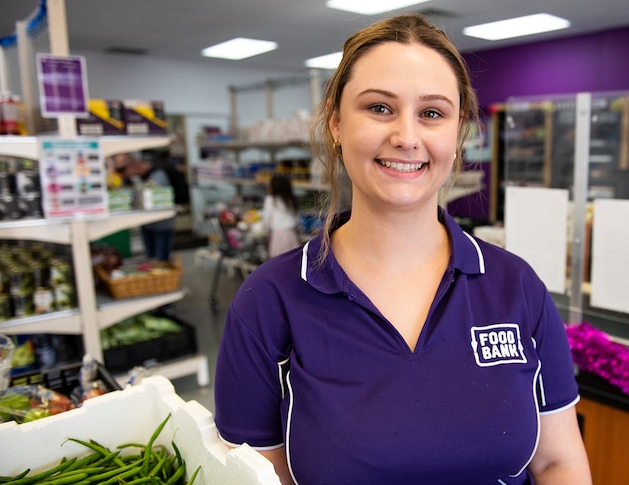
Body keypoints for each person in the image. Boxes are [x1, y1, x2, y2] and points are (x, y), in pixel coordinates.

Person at [214, 13, 592, 485]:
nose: (407, 137)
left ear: (456, 136)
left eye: (432, 113)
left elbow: (558, 463)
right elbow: (255, 477)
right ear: (335, 123)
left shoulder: (517, 287)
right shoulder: (268, 301)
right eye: (379, 108)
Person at [113, 153, 176, 261]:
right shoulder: (139, 178)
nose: (128, 176)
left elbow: (154, 198)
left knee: (161, 257)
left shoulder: (157, 175)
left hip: (161, 223)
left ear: (136, 166)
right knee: (150, 256)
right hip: (147, 224)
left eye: (128, 172)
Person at [262, 174, 300, 258]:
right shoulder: (291, 200)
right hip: (292, 234)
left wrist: (265, 232)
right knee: (292, 262)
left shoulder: (270, 200)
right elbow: (297, 220)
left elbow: (267, 221)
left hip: (278, 236)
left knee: (278, 264)